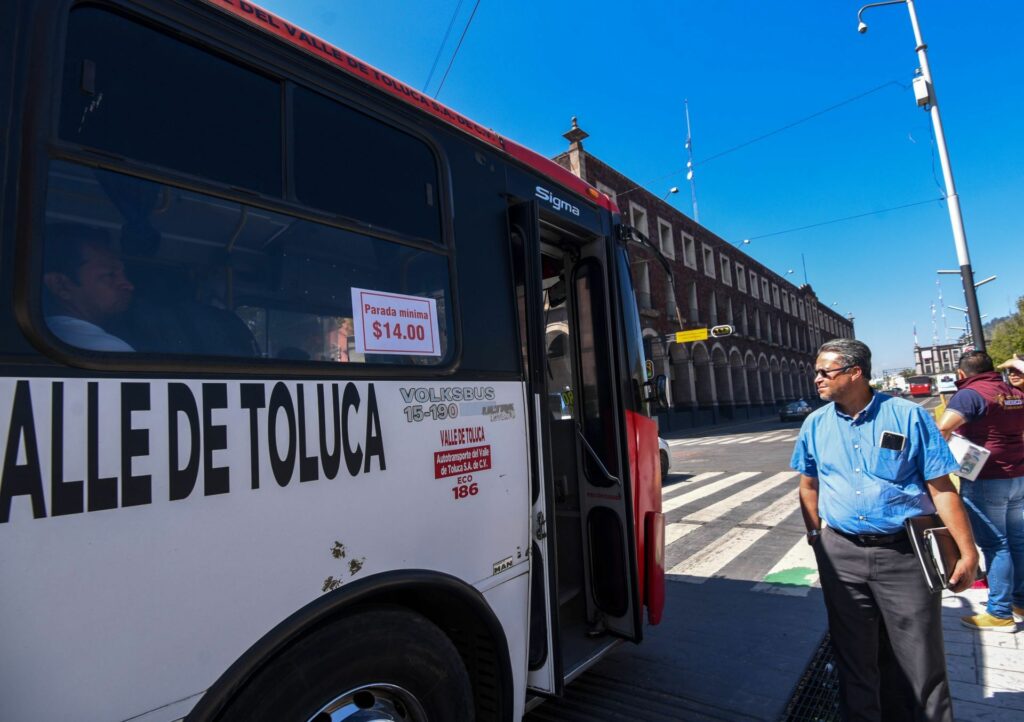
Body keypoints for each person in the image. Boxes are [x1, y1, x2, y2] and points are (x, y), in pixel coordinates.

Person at [791, 338, 977, 722]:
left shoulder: (908, 416)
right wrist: (816, 538)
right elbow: (808, 485)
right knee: (854, 659)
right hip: (841, 556)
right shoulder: (815, 423)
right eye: (816, 372)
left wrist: (967, 552)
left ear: (855, 373)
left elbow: (940, 487)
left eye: (825, 372)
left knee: (920, 662)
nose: (817, 379)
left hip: (904, 555)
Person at [937, 351, 1024, 632]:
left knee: (996, 545)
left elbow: (943, 429)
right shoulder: (1013, 391)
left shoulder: (970, 394)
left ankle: (999, 612)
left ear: (961, 374)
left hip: (986, 478)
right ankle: (1019, 601)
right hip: (1018, 473)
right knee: (1017, 542)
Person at [43, 223, 135, 352]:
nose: (129, 285)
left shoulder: (43, 335)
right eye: (110, 275)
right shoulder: (106, 349)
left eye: (123, 275)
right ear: (60, 285)